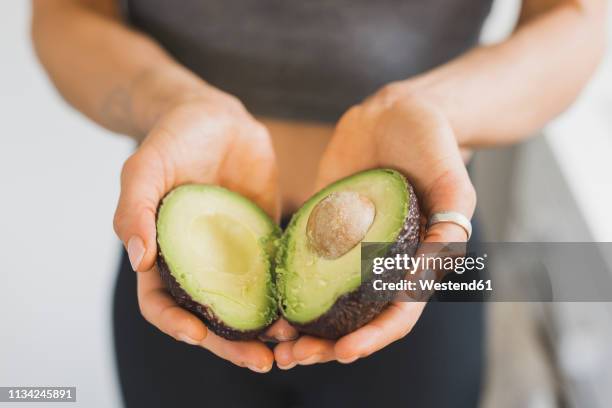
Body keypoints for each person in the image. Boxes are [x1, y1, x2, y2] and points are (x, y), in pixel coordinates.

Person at [31, 0, 605, 406]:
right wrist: (170, 102)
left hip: (418, 252)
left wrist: (433, 111)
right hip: (176, 259)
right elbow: (64, 13)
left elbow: (576, 19)